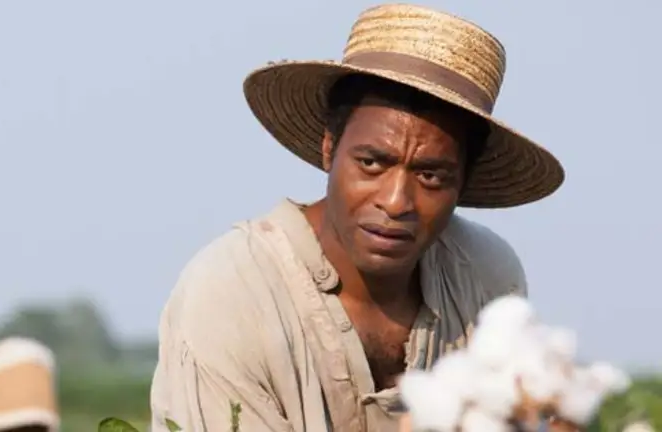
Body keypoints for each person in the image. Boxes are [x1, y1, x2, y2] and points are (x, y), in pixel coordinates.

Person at [150, 3, 565, 431]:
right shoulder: (233, 294)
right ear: (329, 149)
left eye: (430, 176)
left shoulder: (483, 279)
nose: (396, 201)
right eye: (371, 163)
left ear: (462, 182)